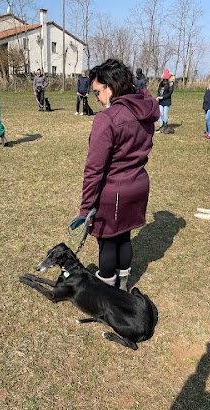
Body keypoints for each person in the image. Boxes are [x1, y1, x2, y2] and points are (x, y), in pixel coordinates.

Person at [78, 58, 159, 291]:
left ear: (110, 86)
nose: (97, 98)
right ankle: (122, 286)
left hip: (114, 190)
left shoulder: (108, 118)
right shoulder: (145, 110)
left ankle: (107, 293)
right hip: (138, 185)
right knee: (124, 236)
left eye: (97, 92)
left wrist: (86, 209)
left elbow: (94, 169)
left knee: (107, 241)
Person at [155, 69, 174, 133]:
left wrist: (161, 97)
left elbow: (169, 94)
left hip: (167, 102)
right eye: (164, 80)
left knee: (165, 113)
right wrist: (157, 97)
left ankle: (165, 125)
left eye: (166, 80)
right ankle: (161, 126)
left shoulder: (171, 85)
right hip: (160, 102)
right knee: (160, 113)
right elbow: (158, 91)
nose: (165, 81)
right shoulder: (161, 83)